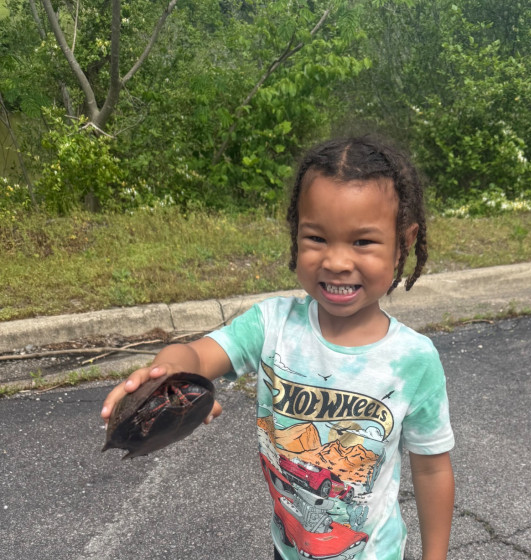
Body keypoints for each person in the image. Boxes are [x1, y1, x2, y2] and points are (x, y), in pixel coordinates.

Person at [101, 136, 455, 560]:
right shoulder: (271, 324)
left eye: (362, 242)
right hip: (287, 548)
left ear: (403, 243)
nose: (336, 262)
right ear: (296, 234)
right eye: (317, 238)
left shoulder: (415, 360)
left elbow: (432, 470)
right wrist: (167, 376)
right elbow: (197, 355)